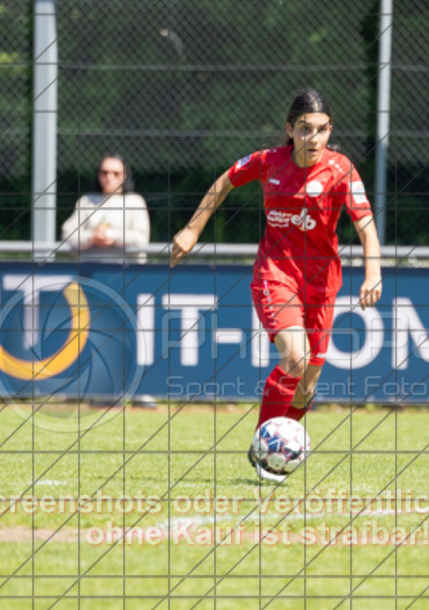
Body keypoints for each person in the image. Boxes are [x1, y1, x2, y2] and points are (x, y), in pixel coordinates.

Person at [170, 89, 382, 482]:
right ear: (289, 129)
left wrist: (373, 273)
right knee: (296, 359)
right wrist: (192, 229)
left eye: (321, 129)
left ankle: (282, 449)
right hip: (276, 273)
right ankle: (264, 449)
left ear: (330, 129)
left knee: (307, 385)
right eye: (304, 129)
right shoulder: (268, 162)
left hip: (322, 284)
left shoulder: (341, 170)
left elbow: (366, 227)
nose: (313, 138)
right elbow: (224, 182)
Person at [60, 154, 151, 263]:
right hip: (90, 269)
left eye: (116, 173)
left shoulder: (135, 202)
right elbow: (68, 234)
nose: (109, 177)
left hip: (126, 269)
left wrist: (112, 236)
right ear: (98, 175)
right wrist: (92, 238)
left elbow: (141, 238)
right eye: (105, 172)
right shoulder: (86, 201)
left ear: (124, 176)